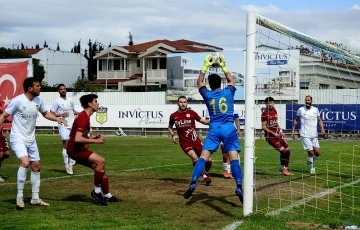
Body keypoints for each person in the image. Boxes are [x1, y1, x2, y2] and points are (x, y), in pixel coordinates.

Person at [183, 53, 243, 204]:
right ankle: (239, 186)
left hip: (214, 128)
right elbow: (231, 80)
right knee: (234, 158)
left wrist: (205, 66)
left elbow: (199, 83)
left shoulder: (208, 95)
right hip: (229, 128)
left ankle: (194, 182)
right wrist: (223, 65)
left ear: (210, 85)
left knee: (203, 157)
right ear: (220, 83)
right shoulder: (228, 91)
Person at [0, 77, 67, 209]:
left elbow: (46, 113)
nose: (40, 88)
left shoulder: (38, 100)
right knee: (25, 163)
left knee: (36, 166)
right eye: (38, 86)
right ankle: (19, 197)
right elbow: (3, 115)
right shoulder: (18, 101)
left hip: (31, 139)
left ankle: (35, 198)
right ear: (30, 88)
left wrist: (57, 120)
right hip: (18, 137)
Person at [66, 94, 118, 206]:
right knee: (101, 161)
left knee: (100, 167)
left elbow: (81, 137)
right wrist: (96, 141)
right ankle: (96, 192)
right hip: (74, 150)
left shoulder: (86, 116)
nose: (97, 103)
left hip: (78, 148)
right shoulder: (83, 117)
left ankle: (107, 195)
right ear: (90, 104)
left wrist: (93, 139)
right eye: (95, 101)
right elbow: (78, 138)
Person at [168, 96, 212, 185]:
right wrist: (173, 135)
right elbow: (170, 127)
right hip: (184, 142)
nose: (183, 104)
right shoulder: (173, 116)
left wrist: (214, 121)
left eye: (184, 102)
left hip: (196, 141)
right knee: (195, 158)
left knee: (209, 160)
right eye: (181, 102)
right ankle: (205, 177)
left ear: (187, 103)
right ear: (177, 103)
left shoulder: (192, 113)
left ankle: (205, 172)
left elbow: (203, 121)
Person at [205, 104, 243, 179]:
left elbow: (236, 118)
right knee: (213, 152)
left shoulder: (234, 105)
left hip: (229, 131)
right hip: (216, 131)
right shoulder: (211, 105)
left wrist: (238, 129)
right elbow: (207, 120)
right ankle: (207, 171)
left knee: (229, 151)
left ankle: (228, 170)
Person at [291, 95, 325, 174]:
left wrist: (322, 129)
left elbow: (319, 120)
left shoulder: (315, 110)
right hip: (304, 134)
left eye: (308, 100)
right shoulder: (301, 110)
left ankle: (309, 161)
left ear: (311, 101)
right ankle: (312, 168)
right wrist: (293, 130)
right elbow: (296, 120)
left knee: (317, 152)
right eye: (306, 100)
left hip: (314, 134)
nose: (307, 101)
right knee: (311, 152)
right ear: (304, 101)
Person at [50, 84, 78, 175]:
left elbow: (72, 111)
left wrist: (81, 113)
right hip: (63, 124)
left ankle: (71, 164)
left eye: (64, 89)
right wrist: (61, 115)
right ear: (58, 91)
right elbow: (51, 113)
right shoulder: (57, 102)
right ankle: (67, 166)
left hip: (72, 124)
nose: (63, 90)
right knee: (66, 144)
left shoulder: (71, 100)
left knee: (73, 144)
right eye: (61, 89)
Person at [261, 97, 293, 176]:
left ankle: (284, 168)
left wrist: (281, 131)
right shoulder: (265, 113)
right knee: (284, 151)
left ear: (273, 103)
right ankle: (284, 169)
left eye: (271, 102)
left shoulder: (275, 110)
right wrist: (273, 133)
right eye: (268, 103)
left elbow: (276, 123)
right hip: (270, 137)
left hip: (278, 134)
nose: (270, 104)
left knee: (287, 150)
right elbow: (264, 127)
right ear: (265, 104)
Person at [0, 103, 11, 182]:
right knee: (0, 154)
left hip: (1, 133)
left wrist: (7, 119)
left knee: (6, 154)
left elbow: (2, 115)